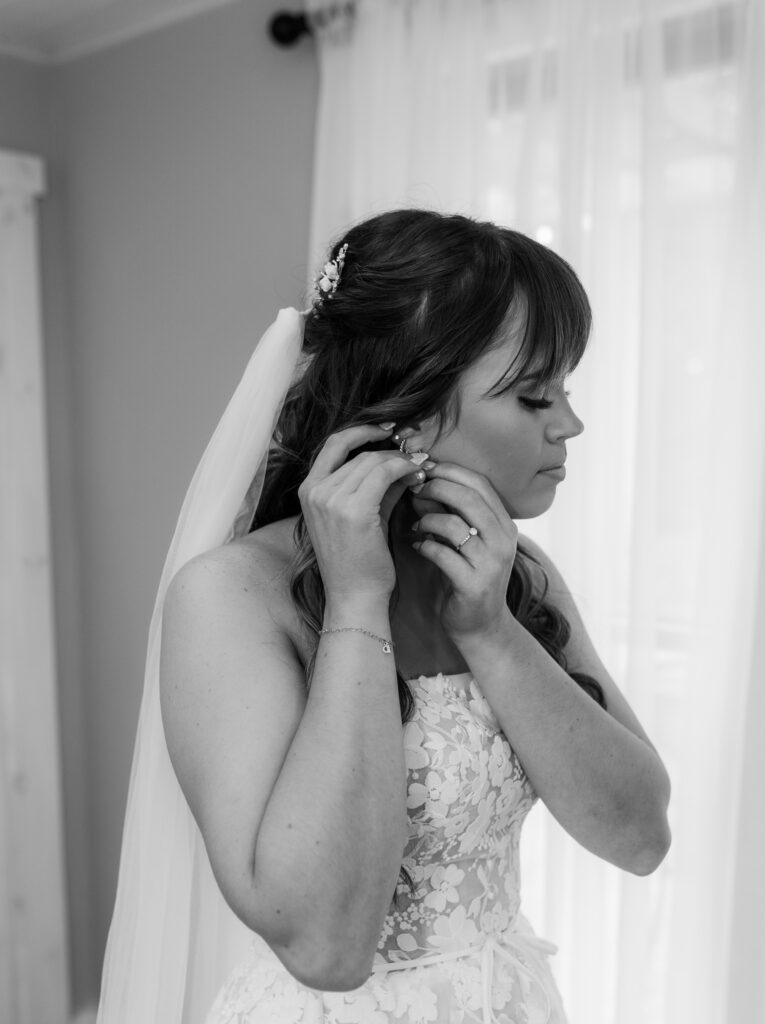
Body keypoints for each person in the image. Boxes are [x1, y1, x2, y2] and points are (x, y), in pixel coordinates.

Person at [97, 209, 671, 1024]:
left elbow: (640, 837)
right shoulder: (229, 598)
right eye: (534, 394)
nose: (568, 423)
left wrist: (492, 632)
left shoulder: (517, 574)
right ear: (403, 414)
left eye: (565, 391)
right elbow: (326, 950)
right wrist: (358, 601)